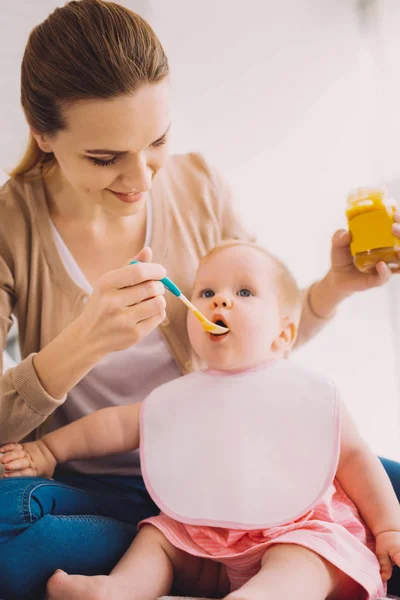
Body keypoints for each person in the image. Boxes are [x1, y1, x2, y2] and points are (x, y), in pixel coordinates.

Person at [0, 0, 400, 598]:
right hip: (102, 487)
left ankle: (223, 556)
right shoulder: (11, 227)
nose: (140, 179)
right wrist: (79, 346)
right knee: (10, 521)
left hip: (246, 468)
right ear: (43, 134)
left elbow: (263, 339)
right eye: (105, 158)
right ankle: (222, 553)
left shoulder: (198, 185)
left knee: (383, 495)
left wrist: (331, 289)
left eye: (156, 141)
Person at [2, 240, 397, 600]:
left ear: (283, 334)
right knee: (158, 538)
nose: (219, 302)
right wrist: (47, 449)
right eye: (207, 292)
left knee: (306, 558)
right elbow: (115, 426)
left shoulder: (309, 394)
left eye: (243, 292)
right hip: (204, 535)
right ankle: (119, 590)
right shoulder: (181, 395)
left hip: (295, 528)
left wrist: (387, 528)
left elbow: (356, 459)